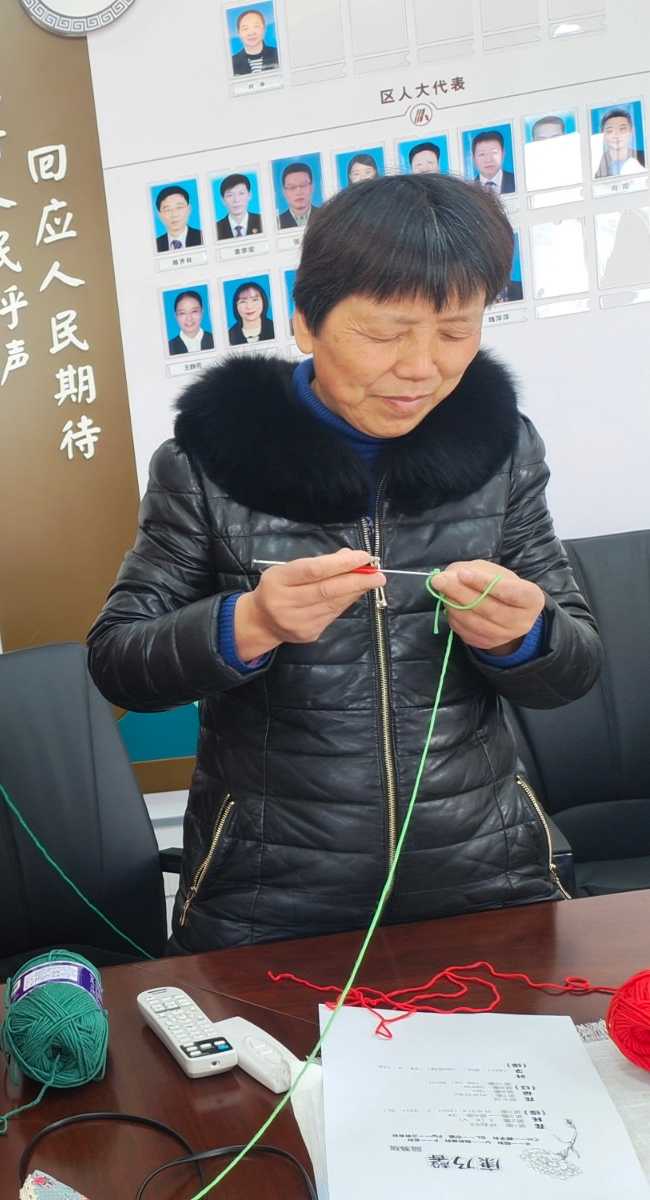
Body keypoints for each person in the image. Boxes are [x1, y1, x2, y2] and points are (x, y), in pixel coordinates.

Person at [88, 174, 601, 954]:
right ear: (305, 322)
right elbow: (118, 663)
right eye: (387, 333)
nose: (421, 366)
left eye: (456, 331)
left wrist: (526, 635)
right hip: (270, 901)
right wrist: (248, 624)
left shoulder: (502, 451)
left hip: (488, 880)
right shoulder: (206, 466)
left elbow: (575, 668)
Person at [594, 107, 647, 178]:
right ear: (602, 134)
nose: (616, 135)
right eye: (610, 131)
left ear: (632, 131)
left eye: (622, 129)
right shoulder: (595, 164)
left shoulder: (645, 157)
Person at [231, 8, 279, 75]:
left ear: (264, 28)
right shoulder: (232, 63)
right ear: (238, 33)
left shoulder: (278, 54)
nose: (251, 33)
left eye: (256, 26)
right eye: (245, 29)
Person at [154, 184, 202, 252]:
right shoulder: (155, 246)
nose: (174, 214)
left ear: (189, 209)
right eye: (168, 210)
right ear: (160, 215)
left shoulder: (203, 237)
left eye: (179, 207)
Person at [468, 129, 517, 194]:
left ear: (503, 154)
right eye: (482, 154)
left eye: (494, 153)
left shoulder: (517, 180)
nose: (488, 160)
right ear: (473, 158)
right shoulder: (468, 190)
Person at [215, 173, 263, 238]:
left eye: (241, 193)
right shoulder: (215, 230)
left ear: (249, 195)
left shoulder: (263, 221)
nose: (236, 200)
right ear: (223, 200)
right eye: (230, 195)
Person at [225, 280, 274, 344]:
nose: (249, 307)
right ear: (236, 306)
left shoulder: (277, 328)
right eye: (243, 301)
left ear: (264, 301)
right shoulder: (227, 337)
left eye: (254, 300)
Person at [167, 289, 214, 354]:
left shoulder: (216, 340)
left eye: (194, 311)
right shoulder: (168, 348)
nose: (189, 318)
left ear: (202, 311)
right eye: (183, 313)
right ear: (176, 315)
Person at [276, 161, 318, 228]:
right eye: (292, 187)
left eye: (303, 185)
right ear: (284, 192)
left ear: (312, 187)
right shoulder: (277, 223)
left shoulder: (325, 215)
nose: (298, 192)